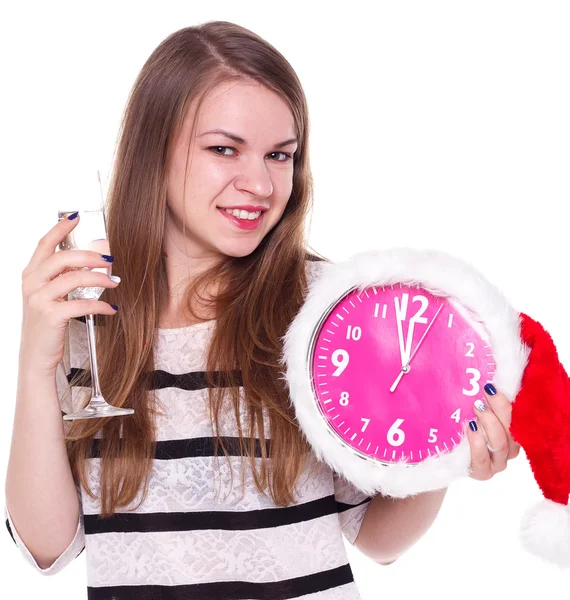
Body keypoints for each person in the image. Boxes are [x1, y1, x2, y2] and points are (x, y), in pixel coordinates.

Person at [4, 20, 520, 599]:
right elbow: (47, 547)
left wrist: (442, 460)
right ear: (154, 150)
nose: (261, 183)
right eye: (225, 149)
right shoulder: (88, 317)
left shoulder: (323, 310)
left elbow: (377, 539)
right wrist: (33, 360)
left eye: (280, 155)